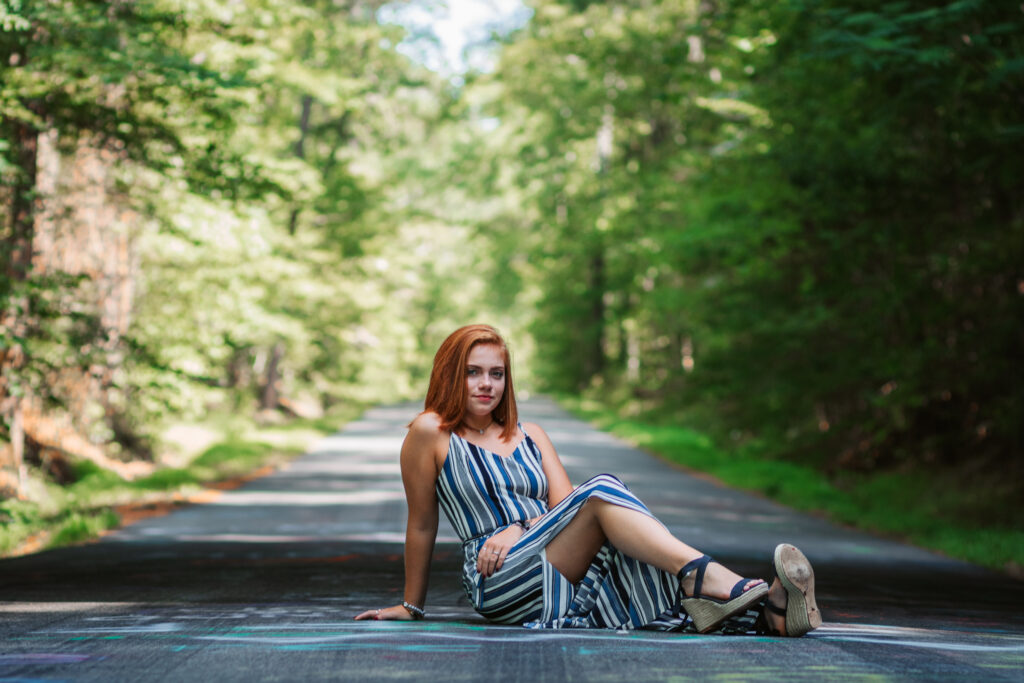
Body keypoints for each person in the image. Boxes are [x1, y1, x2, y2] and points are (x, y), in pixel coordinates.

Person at [355, 324, 821, 636]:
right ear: (450, 374)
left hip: (549, 555)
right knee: (602, 488)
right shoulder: (431, 432)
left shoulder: (531, 435)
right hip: (497, 575)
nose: (486, 384)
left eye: (496, 374)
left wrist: (519, 527)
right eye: (473, 372)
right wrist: (411, 606)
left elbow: (569, 509)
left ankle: (770, 615)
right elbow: (421, 524)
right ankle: (709, 576)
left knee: (623, 543)